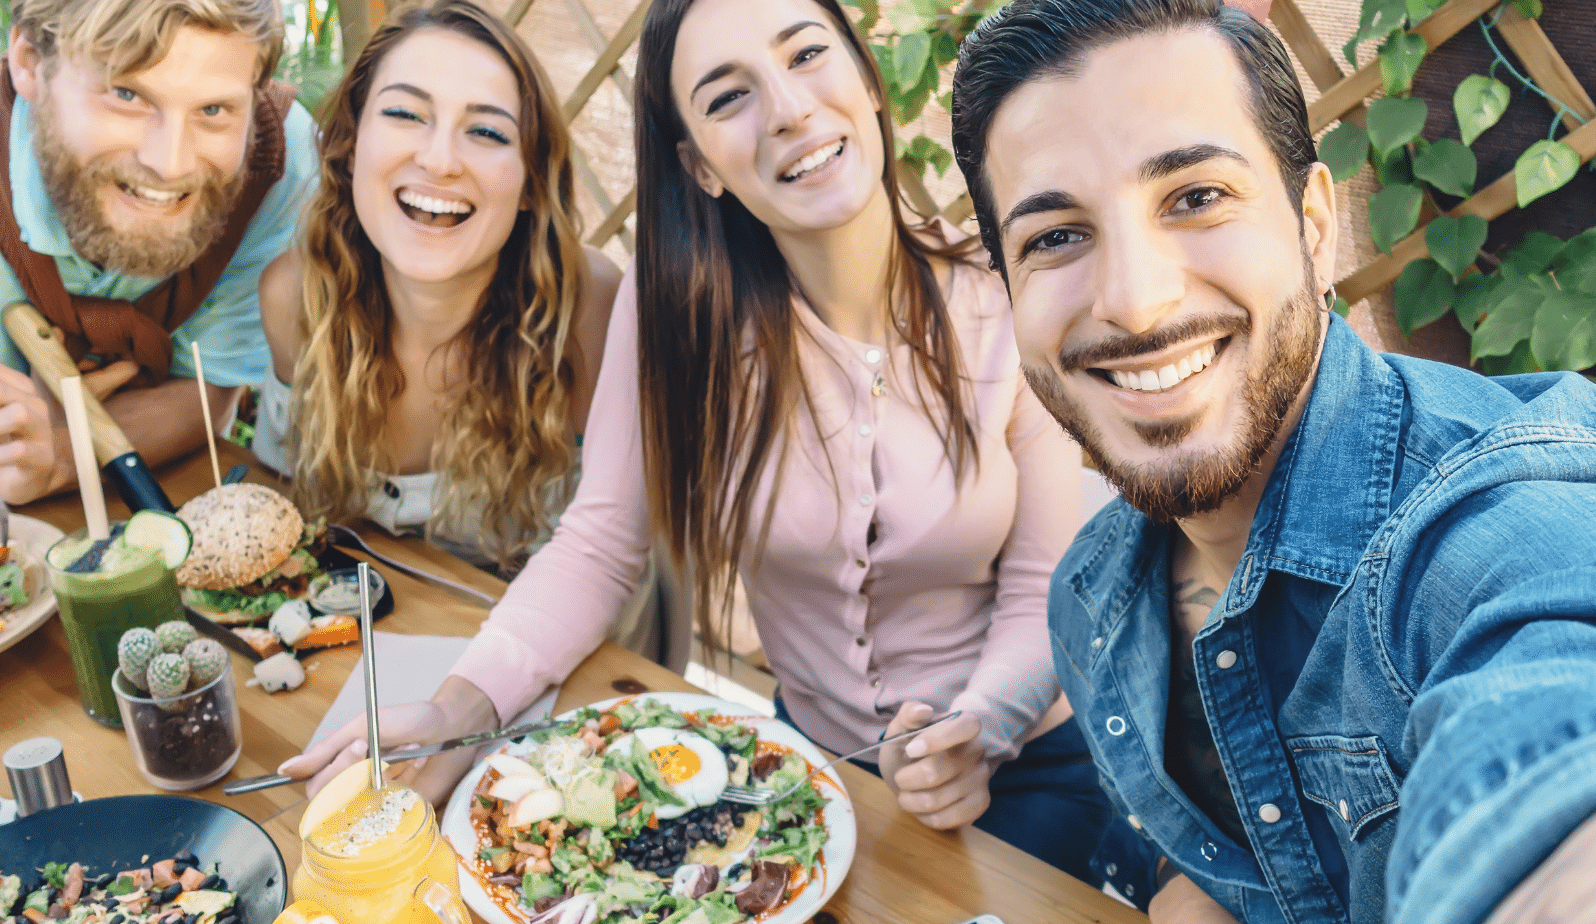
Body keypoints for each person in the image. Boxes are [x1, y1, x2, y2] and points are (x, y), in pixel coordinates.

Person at [285, 0, 1112, 879]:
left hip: (1031, 766)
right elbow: (600, 543)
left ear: (870, 83)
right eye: (727, 98)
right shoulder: (675, 311)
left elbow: (1047, 587)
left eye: (806, 56)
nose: (788, 109)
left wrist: (976, 730)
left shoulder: (1004, 290)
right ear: (700, 166)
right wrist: (462, 706)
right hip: (811, 775)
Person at [949, 0, 1596, 921]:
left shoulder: (1484, 522)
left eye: (1196, 196)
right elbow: (1225, 872)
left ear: (1316, 224)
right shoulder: (1090, 598)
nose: (1133, 303)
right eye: (1055, 236)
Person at [251, 0, 622, 583]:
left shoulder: (587, 315)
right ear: (351, 146)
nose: (440, 160)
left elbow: (616, 559)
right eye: (405, 113)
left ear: (529, 181)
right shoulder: (296, 296)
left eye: (486, 131)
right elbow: (280, 502)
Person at [0, 0, 316, 507]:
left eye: (212, 110)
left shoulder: (280, 165)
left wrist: (58, 455)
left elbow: (209, 389)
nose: (170, 164)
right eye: (126, 94)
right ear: (30, 63)